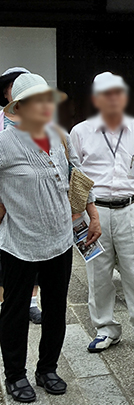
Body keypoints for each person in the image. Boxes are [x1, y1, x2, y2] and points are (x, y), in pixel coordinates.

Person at [0, 72, 101, 402]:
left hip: (59, 240)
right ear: (20, 106)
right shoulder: (5, 142)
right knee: (15, 311)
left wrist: (92, 215)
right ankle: (15, 375)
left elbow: (76, 177)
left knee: (56, 308)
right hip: (20, 242)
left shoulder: (58, 136)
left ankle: (47, 368)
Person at [70, 72, 134, 352]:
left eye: (117, 92)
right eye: (106, 93)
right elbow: (75, 177)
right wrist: (78, 217)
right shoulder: (80, 132)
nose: (113, 98)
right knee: (97, 272)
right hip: (95, 210)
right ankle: (105, 328)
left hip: (132, 208)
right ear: (96, 99)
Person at [0, 66, 42, 325]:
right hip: (4, 199)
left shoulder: (42, 123)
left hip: (31, 198)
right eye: (11, 85)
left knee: (34, 253)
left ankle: (32, 302)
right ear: (6, 92)